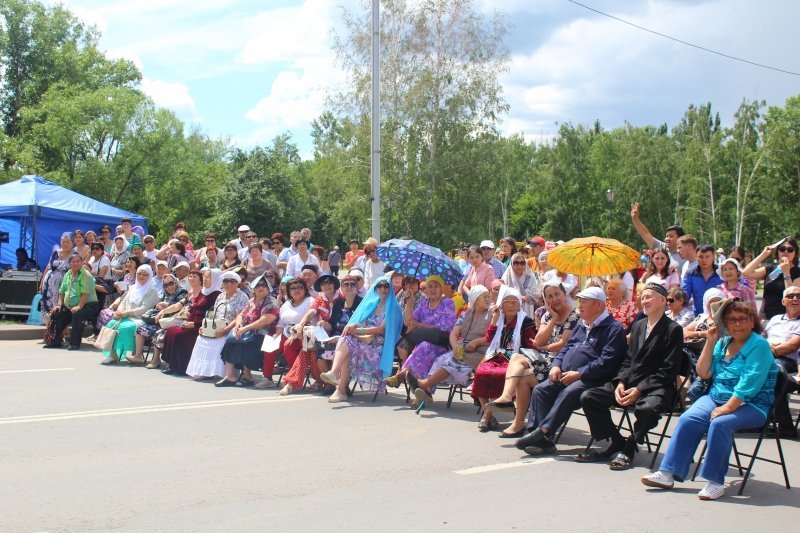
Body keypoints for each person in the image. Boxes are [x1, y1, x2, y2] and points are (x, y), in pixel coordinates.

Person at [642, 299, 778, 501]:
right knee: (689, 418)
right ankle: (668, 473)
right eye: (732, 320)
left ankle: (715, 481)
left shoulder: (759, 346)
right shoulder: (724, 342)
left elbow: (750, 383)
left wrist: (728, 407)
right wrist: (711, 341)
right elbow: (704, 372)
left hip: (752, 404)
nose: (738, 324)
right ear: (725, 323)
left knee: (720, 424)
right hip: (717, 397)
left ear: (752, 322)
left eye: (743, 319)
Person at [578, 283, 683, 469]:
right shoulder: (639, 325)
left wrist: (640, 389)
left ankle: (630, 446)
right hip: (630, 381)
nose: (645, 300)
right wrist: (620, 382)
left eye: (649, 297)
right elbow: (627, 360)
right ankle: (616, 440)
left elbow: (669, 370)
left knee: (648, 409)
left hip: (656, 387)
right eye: (643, 297)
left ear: (662, 300)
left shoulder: (673, 329)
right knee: (589, 397)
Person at [515, 286, 628, 455]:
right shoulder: (581, 325)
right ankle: (541, 438)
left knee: (570, 392)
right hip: (566, 374)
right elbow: (566, 348)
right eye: (579, 301)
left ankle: (543, 432)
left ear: (598, 305)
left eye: (584, 302)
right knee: (540, 390)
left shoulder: (613, 328)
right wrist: (556, 365)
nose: (579, 305)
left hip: (592, 379)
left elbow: (607, 362)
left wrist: (580, 373)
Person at [485, 280, 579, 437]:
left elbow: (562, 344)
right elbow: (540, 340)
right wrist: (554, 318)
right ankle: (508, 398)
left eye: (557, 294)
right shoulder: (548, 314)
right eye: (549, 296)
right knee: (516, 356)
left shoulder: (574, 315)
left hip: (560, 363)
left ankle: (517, 421)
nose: (554, 299)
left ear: (565, 294)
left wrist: (543, 347)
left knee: (522, 377)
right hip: (544, 358)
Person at [320, 276, 403, 403]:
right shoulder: (372, 304)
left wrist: (358, 331)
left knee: (347, 343)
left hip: (379, 345)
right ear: (375, 289)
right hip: (365, 340)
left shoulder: (393, 307)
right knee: (346, 340)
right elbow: (362, 323)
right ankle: (337, 381)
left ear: (390, 288)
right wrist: (355, 325)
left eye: (386, 286)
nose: (383, 289)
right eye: (379, 286)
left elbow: (381, 330)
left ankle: (338, 384)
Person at [410, 285, 492, 406]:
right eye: (484, 297)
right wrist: (455, 347)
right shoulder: (466, 314)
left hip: (481, 350)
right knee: (440, 360)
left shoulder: (491, 315)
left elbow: (493, 336)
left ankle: (424, 384)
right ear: (475, 299)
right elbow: (454, 333)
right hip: (463, 349)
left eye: (488, 296)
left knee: (453, 362)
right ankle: (426, 392)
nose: (487, 299)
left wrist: (476, 342)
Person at [469, 285, 537, 431]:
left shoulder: (526, 321)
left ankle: (486, 416)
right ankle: (490, 414)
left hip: (515, 358)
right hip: (496, 355)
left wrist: (519, 357)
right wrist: (494, 320)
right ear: (501, 304)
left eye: (514, 302)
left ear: (519, 304)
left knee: (500, 374)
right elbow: (489, 338)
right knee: (480, 372)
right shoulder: (499, 318)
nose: (511, 305)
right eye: (507, 302)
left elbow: (530, 346)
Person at [391, 276, 457, 391]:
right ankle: (422, 390)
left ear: (441, 289)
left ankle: (403, 374)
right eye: (429, 286)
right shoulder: (424, 303)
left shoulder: (447, 303)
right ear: (425, 290)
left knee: (424, 346)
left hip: (443, 343)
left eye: (436, 286)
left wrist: (420, 325)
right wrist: (410, 301)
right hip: (425, 343)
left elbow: (444, 327)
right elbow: (409, 322)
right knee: (424, 346)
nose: (432, 289)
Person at [279, 274, 341, 395]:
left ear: (334, 284)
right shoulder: (320, 299)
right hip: (320, 335)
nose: (327, 285)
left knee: (309, 349)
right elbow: (310, 312)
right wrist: (301, 325)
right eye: (323, 284)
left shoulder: (341, 298)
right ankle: (314, 382)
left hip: (337, 334)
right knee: (308, 350)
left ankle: (292, 383)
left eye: (329, 282)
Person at [216, 274, 280, 387]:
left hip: (265, 334)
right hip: (249, 332)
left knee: (246, 343)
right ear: (253, 289)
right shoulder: (251, 301)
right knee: (231, 341)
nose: (261, 287)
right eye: (258, 285)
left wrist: (245, 328)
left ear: (268, 288)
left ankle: (247, 376)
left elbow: (264, 321)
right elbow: (241, 314)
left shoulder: (271, 302)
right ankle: (230, 376)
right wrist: (239, 324)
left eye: (264, 285)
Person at [185, 270, 249, 380]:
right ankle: (204, 371)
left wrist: (225, 330)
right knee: (201, 337)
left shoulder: (242, 296)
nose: (229, 284)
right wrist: (205, 327)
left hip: (232, 327)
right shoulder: (220, 296)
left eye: (232, 281)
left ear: (237, 283)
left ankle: (222, 373)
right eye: (226, 281)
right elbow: (213, 313)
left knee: (222, 339)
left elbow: (239, 317)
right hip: (217, 325)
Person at [160, 269, 222, 375]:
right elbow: (193, 307)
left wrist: (195, 324)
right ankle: (173, 364)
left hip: (202, 326)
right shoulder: (203, 292)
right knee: (171, 331)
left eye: (208, 277)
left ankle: (181, 367)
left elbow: (212, 315)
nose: (205, 279)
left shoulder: (216, 295)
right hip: (190, 322)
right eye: (205, 277)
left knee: (178, 335)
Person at [259, 278, 314, 388]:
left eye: (299, 287)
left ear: (305, 289)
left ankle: (295, 378)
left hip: (304, 335)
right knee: (270, 346)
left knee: (287, 345)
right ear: (288, 291)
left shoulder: (310, 301)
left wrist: (295, 333)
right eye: (292, 288)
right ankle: (267, 378)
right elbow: (281, 323)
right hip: (286, 333)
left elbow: (312, 322)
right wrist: (277, 334)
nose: (296, 290)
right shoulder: (287, 304)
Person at [99, 265, 160, 364]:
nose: (141, 276)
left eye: (145, 274)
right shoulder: (133, 288)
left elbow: (144, 309)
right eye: (139, 274)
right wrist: (119, 312)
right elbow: (124, 301)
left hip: (140, 318)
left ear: (150, 276)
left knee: (125, 327)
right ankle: (112, 354)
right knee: (111, 323)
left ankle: (136, 354)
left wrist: (125, 313)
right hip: (126, 315)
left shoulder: (152, 291)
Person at [762, 285, 800, 437]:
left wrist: (770, 350)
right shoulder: (775, 319)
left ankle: (784, 426)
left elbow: (792, 345)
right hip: (766, 357)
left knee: (775, 375)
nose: (795, 298)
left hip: (787, 361)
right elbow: (760, 339)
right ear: (783, 301)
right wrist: (767, 347)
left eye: (798, 295)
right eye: (791, 296)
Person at [127, 273, 187, 367]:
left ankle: (156, 360)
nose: (169, 287)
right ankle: (138, 356)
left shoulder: (182, 293)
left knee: (159, 332)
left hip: (173, 321)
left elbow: (179, 308)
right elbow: (159, 307)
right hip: (162, 320)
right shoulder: (165, 294)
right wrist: (159, 306)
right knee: (141, 328)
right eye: (166, 285)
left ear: (175, 282)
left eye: (171, 283)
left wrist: (166, 306)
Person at [317, 275, 363, 391]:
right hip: (336, 337)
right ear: (341, 288)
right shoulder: (338, 304)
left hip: (352, 339)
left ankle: (342, 384)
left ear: (357, 287)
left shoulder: (362, 304)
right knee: (320, 353)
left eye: (352, 284)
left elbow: (361, 326)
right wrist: (323, 324)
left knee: (337, 349)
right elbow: (332, 323)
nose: (349, 287)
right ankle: (331, 383)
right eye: (345, 284)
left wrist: (341, 337)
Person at [45, 254, 100, 350]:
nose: (76, 263)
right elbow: (62, 291)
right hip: (70, 306)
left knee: (77, 315)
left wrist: (79, 306)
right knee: (57, 314)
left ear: (81, 262)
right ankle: (55, 341)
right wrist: (59, 305)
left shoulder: (85, 274)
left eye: (78, 261)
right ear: (69, 264)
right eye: (73, 262)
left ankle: (74, 343)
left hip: (87, 304)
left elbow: (85, 293)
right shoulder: (68, 274)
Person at [741, 238, 800, 319]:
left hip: (786, 319)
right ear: (778, 251)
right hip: (765, 317)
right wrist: (764, 254)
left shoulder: (798, 272)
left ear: (795, 252)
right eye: (782, 249)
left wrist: (786, 273)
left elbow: (791, 296)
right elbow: (746, 272)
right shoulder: (770, 268)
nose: (786, 252)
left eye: (790, 249)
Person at [630, 202, 685, 269]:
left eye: (671, 236)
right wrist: (635, 219)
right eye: (666, 236)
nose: (667, 239)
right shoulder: (662, 248)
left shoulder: (687, 254)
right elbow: (646, 234)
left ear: (680, 238)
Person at [41, 233, 76, 324]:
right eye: (63, 242)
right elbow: (48, 267)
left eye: (67, 242)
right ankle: (49, 327)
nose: (65, 244)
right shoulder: (56, 252)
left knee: (62, 305)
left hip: (65, 283)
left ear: (72, 243)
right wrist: (42, 281)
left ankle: (62, 328)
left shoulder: (74, 255)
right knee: (48, 303)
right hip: (50, 284)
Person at [681, 245, 722, 316]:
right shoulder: (691, 273)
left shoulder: (722, 272)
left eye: (707, 256)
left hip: (719, 315)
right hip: (697, 315)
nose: (704, 260)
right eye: (701, 257)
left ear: (713, 257)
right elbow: (684, 295)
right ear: (696, 257)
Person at [501, 251, 542, 316]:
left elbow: (537, 293)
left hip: (527, 309)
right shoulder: (506, 277)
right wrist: (520, 298)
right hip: (510, 308)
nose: (519, 265)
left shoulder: (531, 277)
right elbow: (503, 294)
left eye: (522, 263)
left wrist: (527, 297)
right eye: (516, 263)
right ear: (511, 264)